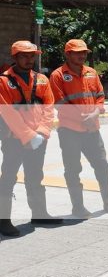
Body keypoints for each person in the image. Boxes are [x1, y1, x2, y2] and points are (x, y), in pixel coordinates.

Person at [49, 39, 108, 218]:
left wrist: (96, 113)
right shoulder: (57, 75)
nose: (82, 55)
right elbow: (60, 103)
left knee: (102, 165)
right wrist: (83, 119)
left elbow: (100, 96)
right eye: (77, 52)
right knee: (73, 169)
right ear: (68, 54)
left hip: (92, 129)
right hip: (70, 130)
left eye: (84, 53)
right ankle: (78, 207)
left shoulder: (91, 73)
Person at [0, 41, 62, 236]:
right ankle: (3, 221)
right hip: (14, 140)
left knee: (35, 176)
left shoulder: (42, 79)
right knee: (8, 179)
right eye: (24, 56)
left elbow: (49, 107)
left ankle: (39, 213)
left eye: (32, 56)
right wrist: (28, 136)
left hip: (38, 138)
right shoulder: (3, 81)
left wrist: (42, 132)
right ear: (15, 57)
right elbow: (7, 112)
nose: (29, 60)